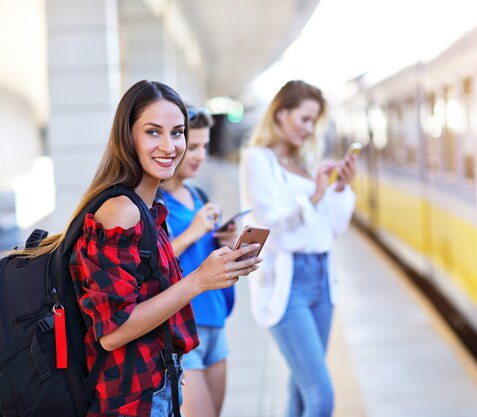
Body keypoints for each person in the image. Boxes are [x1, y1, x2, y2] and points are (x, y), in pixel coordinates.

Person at [20, 80, 262, 417]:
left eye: (177, 132)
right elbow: (113, 331)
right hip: (129, 401)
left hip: (154, 387)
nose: (169, 145)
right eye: (153, 132)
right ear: (127, 137)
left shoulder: (147, 207)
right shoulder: (121, 210)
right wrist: (198, 280)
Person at [239, 80, 357, 417]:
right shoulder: (257, 159)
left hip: (322, 279)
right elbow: (272, 227)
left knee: (302, 391)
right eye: (305, 119)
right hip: (289, 285)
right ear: (281, 113)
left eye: (314, 122)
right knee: (322, 397)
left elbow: (335, 228)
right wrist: (315, 195)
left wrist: (340, 187)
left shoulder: (305, 162)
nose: (309, 129)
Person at [159, 105, 236, 417]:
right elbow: (151, 264)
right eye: (192, 147)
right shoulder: (155, 202)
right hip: (183, 331)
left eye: (204, 146)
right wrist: (193, 232)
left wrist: (224, 241)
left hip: (216, 322)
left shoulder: (199, 195)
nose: (199, 155)